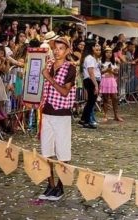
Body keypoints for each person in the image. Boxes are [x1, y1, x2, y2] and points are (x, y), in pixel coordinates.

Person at [38, 37, 76, 201]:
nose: (57, 51)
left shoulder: (70, 68)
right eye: (55, 48)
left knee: (62, 150)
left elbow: (64, 92)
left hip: (62, 114)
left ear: (67, 51)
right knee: (46, 151)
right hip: (47, 112)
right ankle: (50, 185)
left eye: (61, 48)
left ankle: (60, 186)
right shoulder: (49, 65)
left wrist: (49, 78)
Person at [79, 41, 102, 129]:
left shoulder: (88, 57)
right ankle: (86, 120)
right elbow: (91, 72)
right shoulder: (90, 58)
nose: (97, 47)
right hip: (91, 80)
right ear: (92, 47)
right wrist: (96, 85)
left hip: (90, 80)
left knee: (91, 101)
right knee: (91, 102)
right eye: (95, 46)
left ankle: (84, 119)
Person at [100, 47, 123, 122]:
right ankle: (105, 115)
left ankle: (116, 115)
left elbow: (117, 73)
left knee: (114, 98)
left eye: (110, 52)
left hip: (112, 80)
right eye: (107, 52)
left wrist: (112, 71)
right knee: (105, 99)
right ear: (104, 53)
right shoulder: (101, 62)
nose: (109, 54)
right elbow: (99, 72)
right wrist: (106, 70)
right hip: (104, 80)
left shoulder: (114, 62)